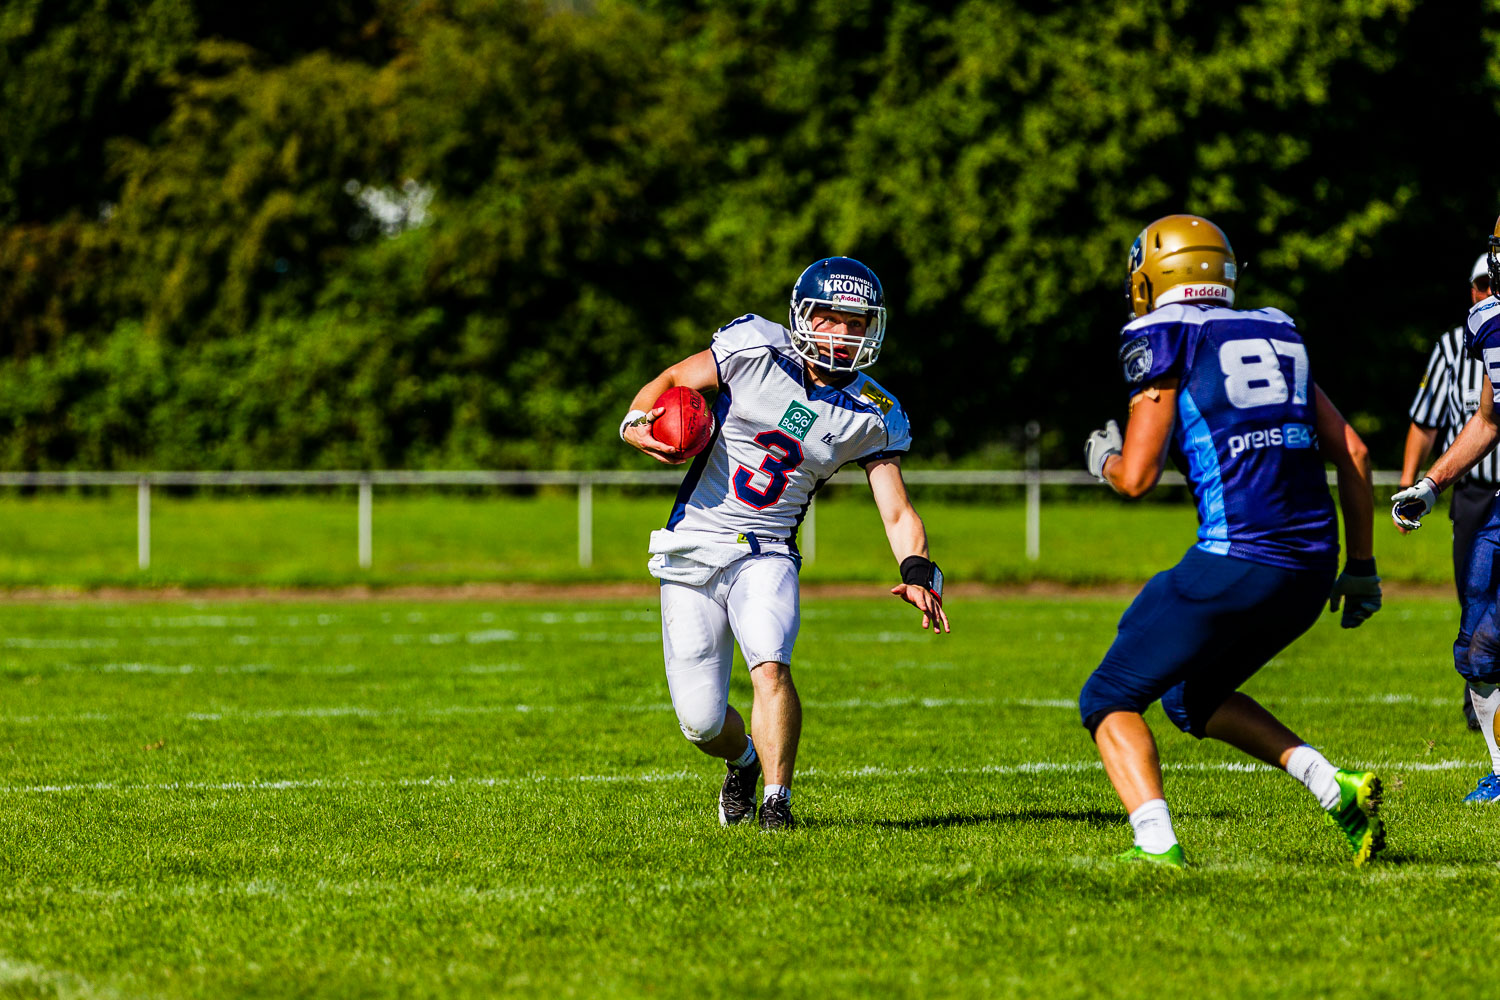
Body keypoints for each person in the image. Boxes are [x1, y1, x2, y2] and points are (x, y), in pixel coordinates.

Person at [1079, 214, 1384, 867]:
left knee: (1108, 696)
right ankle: (1337, 789)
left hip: (1239, 555)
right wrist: (1362, 566)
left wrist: (1100, 458)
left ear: (1155, 276)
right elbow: (1353, 451)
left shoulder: (1162, 334)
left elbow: (1136, 476)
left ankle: (1155, 844)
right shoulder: (1276, 329)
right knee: (1193, 697)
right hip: (1311, 567)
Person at [620, 257, 949, 831]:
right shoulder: (753, 348)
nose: (843, 334)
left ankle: (778, 803)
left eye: (856, 322)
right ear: (804, 316)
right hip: (694, 541)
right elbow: (672, 381)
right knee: (700, 722)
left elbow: (896, 509)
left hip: (767, 548)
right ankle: (743, 761)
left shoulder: (873, 412)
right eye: (831, 319)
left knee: (770, 662)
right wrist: (633, 423)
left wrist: (918, 567)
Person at [1392, 215, 1500, 804]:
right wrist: (1429, 485)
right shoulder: (1488, 325)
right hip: (1489, 499)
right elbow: (1488, 419)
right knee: (1479, 643)